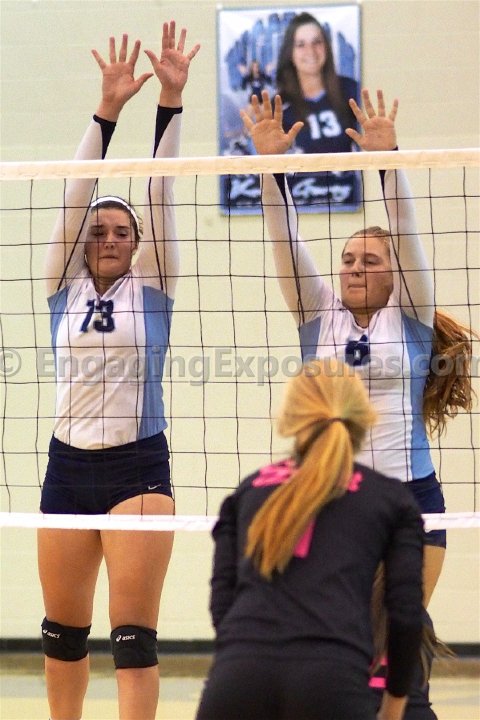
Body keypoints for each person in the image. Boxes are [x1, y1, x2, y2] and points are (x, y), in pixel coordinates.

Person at [241, 88, 476, 719]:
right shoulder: (318, 314)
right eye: (346, 258)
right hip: (334, 505)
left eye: (368, 260)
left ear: (393, 276)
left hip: (411, 504)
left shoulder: (411, 316)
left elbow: (407, 231)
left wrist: (386, 160)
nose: (351, 267)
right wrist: (270, 168)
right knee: (344, 653)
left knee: (397, 648)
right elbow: (285, 239)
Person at [38, 24, 199, 720]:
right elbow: (75, 193)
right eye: (98, 231)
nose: (107, 238)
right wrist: (106, 111)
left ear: (138, 246)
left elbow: (160, 194)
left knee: (132, 640)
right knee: (61, 636)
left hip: (137, 471)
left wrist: (169, 101)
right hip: (67, 466)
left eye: (121, 232)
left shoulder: (154, 285)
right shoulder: (62, 285)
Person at [196, 358, 425, 720]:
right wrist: (394, 707)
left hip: (236, 681)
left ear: (291, 417)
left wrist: (247, 658)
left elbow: (222, 600)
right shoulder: (391, 499)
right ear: (363, 416)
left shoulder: (248, 491)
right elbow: (406, 613)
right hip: (332, 683)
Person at [275, 11, 361, 208]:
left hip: (346, 197)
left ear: (327, 47)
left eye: (317, 42)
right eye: (301, 44)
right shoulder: (278, 106)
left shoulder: (350, 90)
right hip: (300, 200)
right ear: (290, 52)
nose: (311, 51)